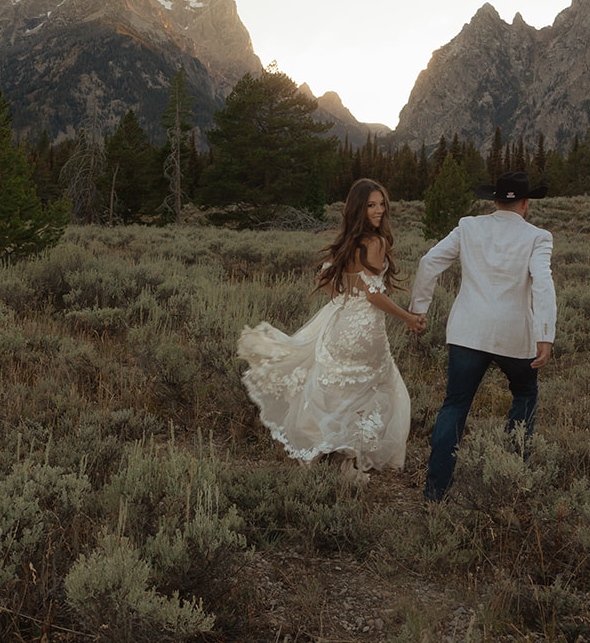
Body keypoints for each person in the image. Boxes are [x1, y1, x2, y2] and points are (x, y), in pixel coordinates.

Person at [238, 179, 426, 481]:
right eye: (371, 205)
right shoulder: (375, 243)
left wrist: (344, 299)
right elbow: (373, 294)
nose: (379, 210)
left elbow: (324, 279)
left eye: (381, 204)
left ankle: (332, 447)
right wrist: (406, 317)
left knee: (338, 386)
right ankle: (350, 455)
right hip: (365, 330)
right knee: (374, 388)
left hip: (340, 323)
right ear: (358, 209)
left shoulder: (347, 242)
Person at [409, 170, 556, 503]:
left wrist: (420, 309)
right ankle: (511, 483)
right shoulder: (538, 236)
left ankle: (435, 494)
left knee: (455, 407)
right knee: (524, 397)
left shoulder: (469, 226)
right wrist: (545, 334)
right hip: (514, 335)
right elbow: (543, 284)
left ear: (494, 201)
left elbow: (429, 262)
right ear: (526, 204)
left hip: (467, 333)